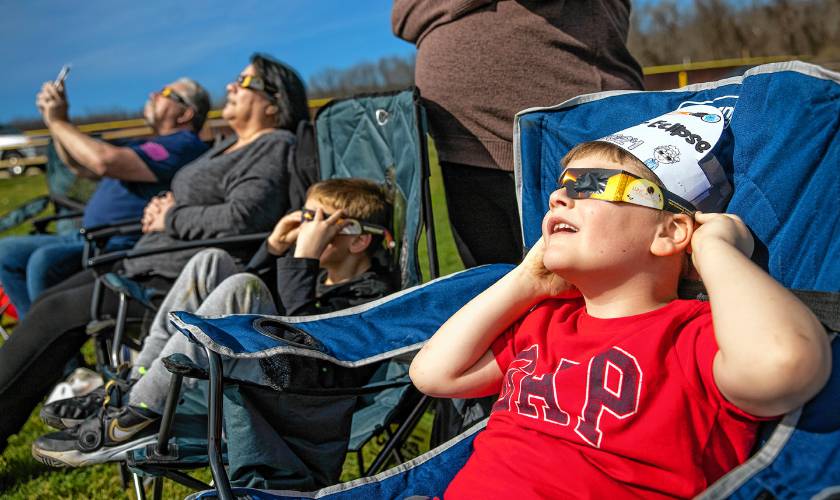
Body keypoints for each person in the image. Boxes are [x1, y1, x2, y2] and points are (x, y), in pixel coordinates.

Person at [408, 138, 831, 497]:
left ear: (669, 233)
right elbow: (434, 374)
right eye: (561, 188)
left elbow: (782, 363)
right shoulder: (543, 324)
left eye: (589, 184)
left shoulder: (695, 335)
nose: (558, 198)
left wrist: (715, 247)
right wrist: (527, 281)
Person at [0, 53, 310, 453]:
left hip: (174, 279)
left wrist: (173, 217)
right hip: (142, 262)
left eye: (244, 81)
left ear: (273, 102)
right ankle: (75, 389)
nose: (231, 86)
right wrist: (164, 211)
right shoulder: (229, 146)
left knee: (50, 318)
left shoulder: (274, 145)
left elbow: (245, 217)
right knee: (47, 302)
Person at [32, 178, 397, 467]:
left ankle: (135, 419)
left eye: (318, 220)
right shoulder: (318, 275)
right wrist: (272, 248)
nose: (306, 227)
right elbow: (260, 304)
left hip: (297, 401)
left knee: (242, 285)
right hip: (267, 374)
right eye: (305, 216)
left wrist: (303, 258)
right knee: (212, 261)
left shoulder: (368, 296)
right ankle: (136, 389)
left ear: (358, 239)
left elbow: (303, 344)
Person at [392, 0, 644, 268]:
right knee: (497, 288)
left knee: (601, 284)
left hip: (570, 138)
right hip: (465, 146)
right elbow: (403, 16)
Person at [0, 77, 210, 315]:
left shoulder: (183, 145)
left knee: (43, 262)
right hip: (86, 237)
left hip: (116, 243)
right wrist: (56, 120)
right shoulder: (151, 142)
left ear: (185, 114)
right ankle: (34, 339)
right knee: (6, 253)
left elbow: (103, 161)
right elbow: (80, 166)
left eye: (166, 92)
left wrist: (58, 122)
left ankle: (51, 345)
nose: (153, 94)